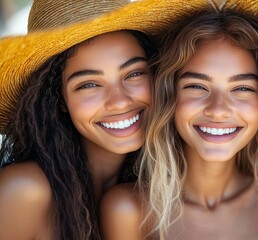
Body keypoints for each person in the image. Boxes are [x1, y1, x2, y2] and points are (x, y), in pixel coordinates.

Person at [101, 11, 258, 240]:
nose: (218, 109)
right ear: (169, 96)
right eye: (197, 86)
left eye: (242, 88)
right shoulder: (129, 211)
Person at [0, 0, 163, 239]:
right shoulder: (25, 190)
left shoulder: (155, 193)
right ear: (59, 99)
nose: (119, 101)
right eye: (88, 85)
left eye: (134, 73)